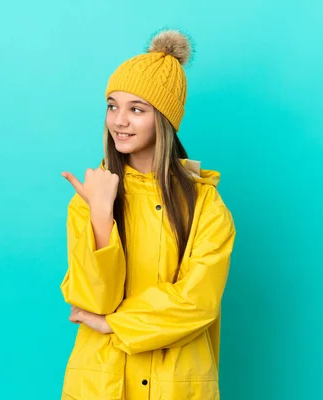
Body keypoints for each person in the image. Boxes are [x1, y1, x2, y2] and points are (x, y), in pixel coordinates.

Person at [60, 29, 236, 400]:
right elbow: (93, 300)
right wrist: (102, 215)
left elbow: (197, 302)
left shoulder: (205, 204)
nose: (119, 120)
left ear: (165, 119)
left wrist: (113, 325)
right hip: (102, 381)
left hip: (176, 382)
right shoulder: (89, 198)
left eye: (136, 109)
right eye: (112, 105)